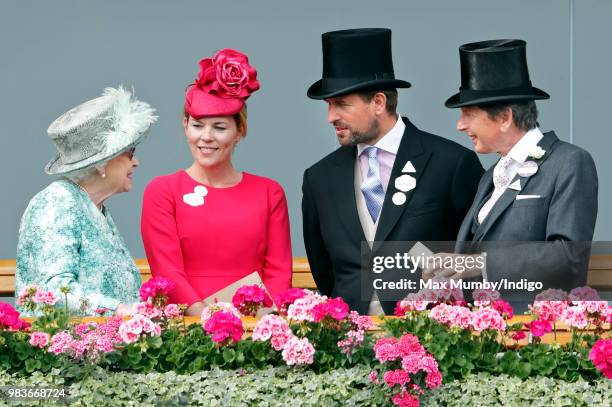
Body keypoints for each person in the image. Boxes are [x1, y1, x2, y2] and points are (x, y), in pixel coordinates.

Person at [302, 28, 484, 315]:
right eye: (328, 105)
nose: (330, 117)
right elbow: (324, 270)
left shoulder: (451, 163)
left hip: (431, 338)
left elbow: (477, 256)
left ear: (378, 102)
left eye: (341, 105)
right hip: (347, 345)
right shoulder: (319, 178)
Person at [426, 39, 598, 306]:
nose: (460, 125)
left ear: (505, 117)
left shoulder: (570, 162)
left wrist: (480, 263)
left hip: (535, 333)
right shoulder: (490, 175)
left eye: (469, 114)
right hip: (479, 335)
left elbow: (568, 257)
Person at [141, 49, 292, 317]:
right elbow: (167, 271)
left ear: (240, 132)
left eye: (220, 128)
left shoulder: (269, 192)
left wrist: (262, 324)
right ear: (185, 125)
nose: (206, 137)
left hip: (256, 327)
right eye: (198, 125)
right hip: (187, 330)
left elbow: (279, 272)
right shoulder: (163, 191)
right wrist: (205, 320)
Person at [16, 87, 157, 315]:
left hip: (104, 344)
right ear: (102, 163)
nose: (136, 162)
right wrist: (120, 310)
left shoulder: (93, 207)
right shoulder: (56, 203)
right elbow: (55, 293)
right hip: (66, 347)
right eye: (130, 152)